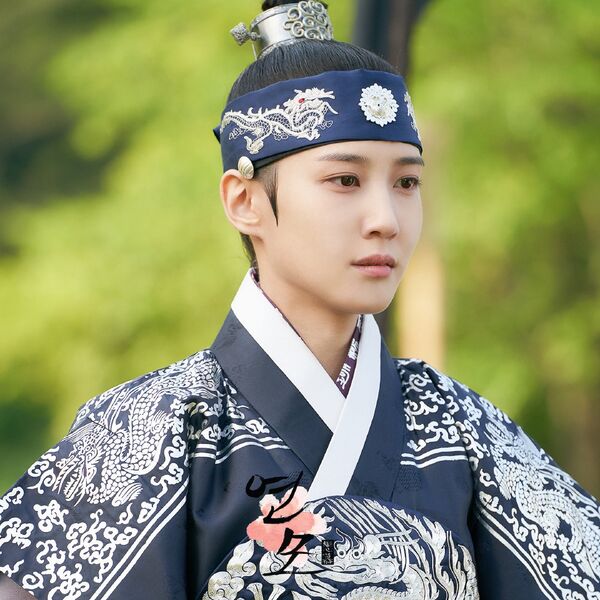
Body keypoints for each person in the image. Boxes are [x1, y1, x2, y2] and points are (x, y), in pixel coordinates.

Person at [1, 1, 599, 598]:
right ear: (245, 201)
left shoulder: (460, 428)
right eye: (345, 180)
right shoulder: (157, 428)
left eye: (406, 182)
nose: (386, 219)